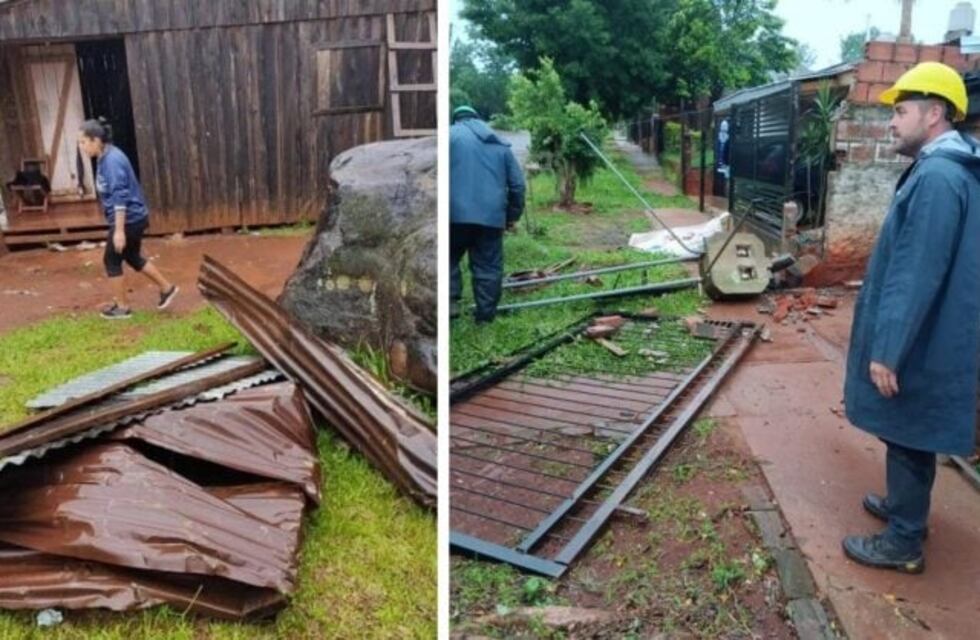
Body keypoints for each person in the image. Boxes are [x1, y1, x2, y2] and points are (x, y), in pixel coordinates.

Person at [842, 62, 980, 573]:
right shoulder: (946, 169)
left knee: (906, 428)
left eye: (901, 112)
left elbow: (916, 270)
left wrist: (888, 349)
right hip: (932, 327)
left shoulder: (939, 178)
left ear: (934, 113)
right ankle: (905, 510)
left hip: (921, 335)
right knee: (909, 429)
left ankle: (904, 541)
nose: (891, 123)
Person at [78, 118, 178, 319]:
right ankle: (167, 288)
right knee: (132, 256)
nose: (81, 147)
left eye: (83, 142)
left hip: (129, 219)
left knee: (111, 260)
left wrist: (119, 231)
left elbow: (120, 196)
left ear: (96, 140)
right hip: (133, 217)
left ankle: (122, 308)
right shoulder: (104, 156)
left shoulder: (112, 161)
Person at [449, 105, 525, 323]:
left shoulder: (448, 137)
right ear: (477, 118)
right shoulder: (499, 142)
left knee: (448, 258)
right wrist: (511, 216)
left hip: (453, 216)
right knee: (488, 266)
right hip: (491, 218)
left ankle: (450, 304)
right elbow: (518, 186)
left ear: (456, 120)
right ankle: (485, 317)